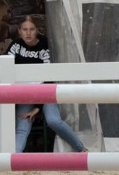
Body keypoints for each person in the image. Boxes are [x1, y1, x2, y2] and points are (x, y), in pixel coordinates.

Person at [7, 15, 87, 153]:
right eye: (24, 29)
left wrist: (37, 107)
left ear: (37, 30)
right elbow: (6, 70)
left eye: (31, 29)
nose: (28, 33)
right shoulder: (15, 46)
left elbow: (49, 78)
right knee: (22, 125)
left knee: (53, 121)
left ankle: (82, 150)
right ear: (19, 31)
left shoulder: (45, 45)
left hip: (45, 92)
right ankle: (14, 159)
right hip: (25, 94)